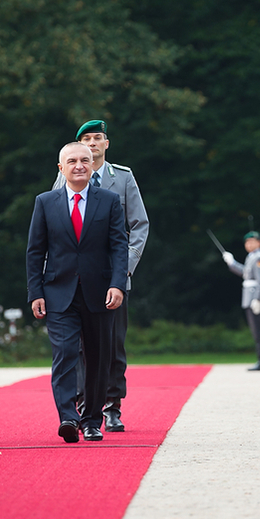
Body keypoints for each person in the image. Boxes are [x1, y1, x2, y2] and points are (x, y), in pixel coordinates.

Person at [27, 142, 128, 442]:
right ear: (61, 168)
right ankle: (68, 417)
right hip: (58, 293)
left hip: (100, 293)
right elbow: (35, 251)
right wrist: (36, 292)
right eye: (72, 161)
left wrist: (118, 284)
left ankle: (92, 420)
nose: (79, 165)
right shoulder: (45, 202)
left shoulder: (109, 201)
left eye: (85, 160)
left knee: (98, 359)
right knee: (66, 353)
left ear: (92, 165)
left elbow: (119, 247)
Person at [53, 119, 150, 432]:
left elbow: (139, 225)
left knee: (112, 344)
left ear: (107, 143)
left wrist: (124, 271)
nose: (92, 143)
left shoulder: (122, 178)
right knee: (78, 346)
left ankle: (111, 405)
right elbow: (54, 223)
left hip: (113, 277)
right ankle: (83, 403)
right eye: (86, 139)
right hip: (75, 278)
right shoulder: (64, 176)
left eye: (97, 138)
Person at [224, 231, 260, 371]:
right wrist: (232, 263)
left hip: (254, 298)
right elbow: (246, 273)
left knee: (259, 330)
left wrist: (258, 299)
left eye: (252, 241)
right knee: (255, 331)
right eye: (247, 242)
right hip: (249, 298)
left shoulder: (259, 257)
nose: (249, 244)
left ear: (259, 243)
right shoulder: (251, 257)